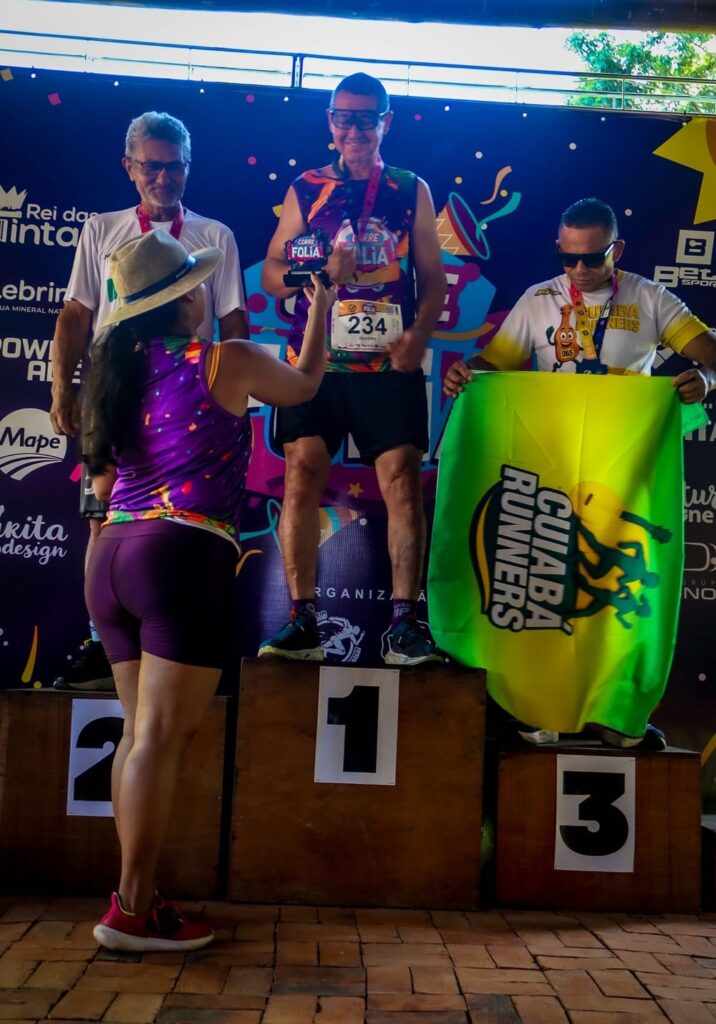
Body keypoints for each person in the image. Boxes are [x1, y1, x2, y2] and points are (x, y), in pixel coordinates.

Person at [82, 228, 333, 951]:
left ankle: (136, 898)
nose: (201, 294)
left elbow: (103, 482)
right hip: (180, 555)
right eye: (194, 285)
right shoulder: (225, 358)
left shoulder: (114, 370)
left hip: (112, 554)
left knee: (140, 736)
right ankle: (131, 909)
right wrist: (321, 308)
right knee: (158, 740)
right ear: (183, 299)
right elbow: (305, 385)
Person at [444, 196, 716, 748]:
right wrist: (464, 374)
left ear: (617, 250)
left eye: (592, 258)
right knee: (547, 584)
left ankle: (616, 712)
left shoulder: (649, 296)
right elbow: (493, 366)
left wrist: (707, 381)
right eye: (567, 258)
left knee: (617, 595)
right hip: (552, 467)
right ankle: (541, 707)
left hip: (623, 471)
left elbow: (711, 355)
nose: (579, 270)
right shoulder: (539, 298)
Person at [50, 110, 249, 691]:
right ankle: (102, 641)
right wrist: (63, 388)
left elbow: (234, 322)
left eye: (175, 167)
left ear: (189, 167)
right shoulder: (102, 229)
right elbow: (76, 314)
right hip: (116, 394)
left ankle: (173, 642)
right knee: (104, 514)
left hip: (190, 401)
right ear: (129, 167)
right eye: (152, 166)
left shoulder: (215, 236)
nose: (164, 178)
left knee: (185, 524)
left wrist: (235, 395)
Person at [258, 72, 447, 666]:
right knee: (301, 471)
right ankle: (302, 622)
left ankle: (405, 627)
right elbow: (271, 273)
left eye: (367, 118)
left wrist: (418, 335)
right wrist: (317, 275)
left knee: (401, 479)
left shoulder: (409, 189)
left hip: (386, 360)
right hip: (313, 360)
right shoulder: (306, 188)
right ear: (330, 122)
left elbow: (434, 277)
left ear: (386, 122)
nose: (355, 129)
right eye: (344, 118)